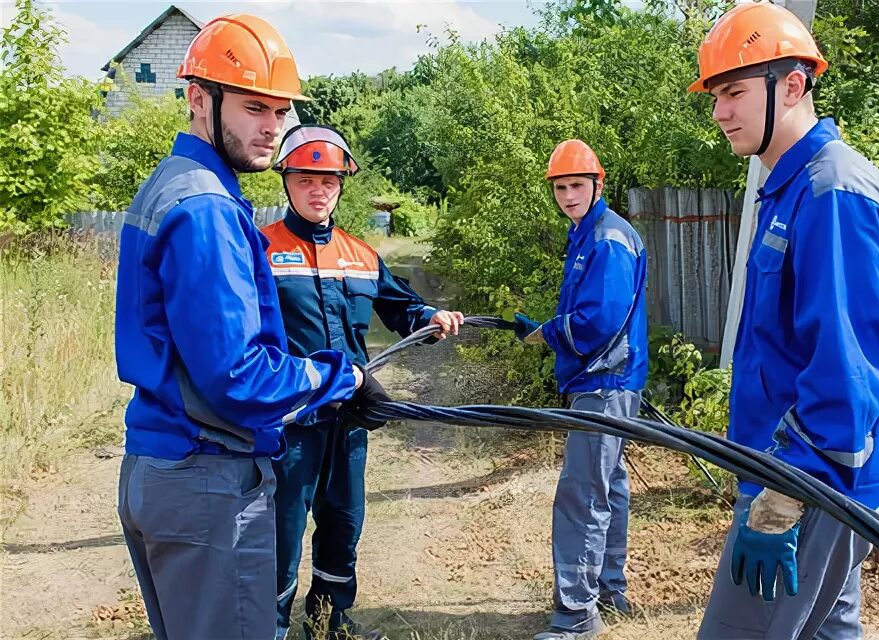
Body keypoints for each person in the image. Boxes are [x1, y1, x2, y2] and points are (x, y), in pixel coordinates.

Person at [114, 15, 388, 640]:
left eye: (280, 110)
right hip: (207, 476)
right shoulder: (206, 207)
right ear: (197, 99)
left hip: (163, 467)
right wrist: (337, 376)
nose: (272, 127)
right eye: (252, 107)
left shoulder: (172, 186)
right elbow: (239, 376)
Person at [688, 3, 879, 638]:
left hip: (804, 487)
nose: (720, 112)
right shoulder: (791, 187)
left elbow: (846, 373)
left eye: (733, 91)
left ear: (791, 84)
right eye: (714, 96)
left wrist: (783, 501)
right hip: (805, 481)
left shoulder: (831, 192)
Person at [262, 124, 464, 640]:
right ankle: (269, 628)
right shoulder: (258, 250)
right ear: (287, 180)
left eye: (327, 180)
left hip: (348, 422)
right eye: (306, 178)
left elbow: (402, 308)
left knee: (343, 524)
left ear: (340, 185)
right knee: (281, 534)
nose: (318, 190)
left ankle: (331, 624)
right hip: (288, 426)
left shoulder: (360, 254)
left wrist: (430, 317)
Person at [514, 139, 648, 640]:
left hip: (604, 382)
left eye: (576, 185)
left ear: (598, 184)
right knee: (607, 486)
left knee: (582, 495)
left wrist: (548, 332)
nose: (568, 195)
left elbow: (599, 322)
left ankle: (576, 615)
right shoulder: (588, 234)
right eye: (561, 187)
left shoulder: (608, 239)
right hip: (607, 381)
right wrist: (545, 330)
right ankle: (609, 591)